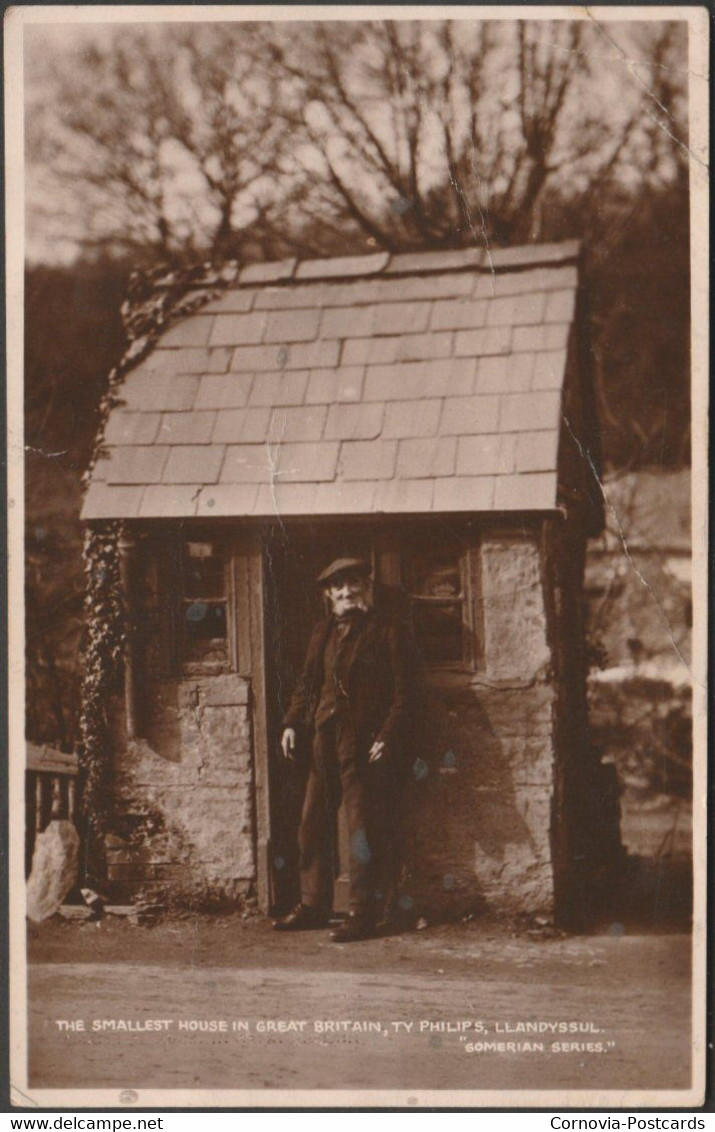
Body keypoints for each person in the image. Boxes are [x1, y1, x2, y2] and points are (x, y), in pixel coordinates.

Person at [273, 557, 417, 942]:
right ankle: (313, 905)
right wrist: (291, 723)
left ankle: (362, 913)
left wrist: (387, 735)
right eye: (339, 589)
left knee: (361, 829)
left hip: (364, 743)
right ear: (329, 595)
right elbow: (307, 684)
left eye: (354, 586)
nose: (347, 594)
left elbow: (406, 693)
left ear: (365, 590)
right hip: (324, 738)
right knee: (310, 823)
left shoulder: (388, 631)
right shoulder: (322, 632)